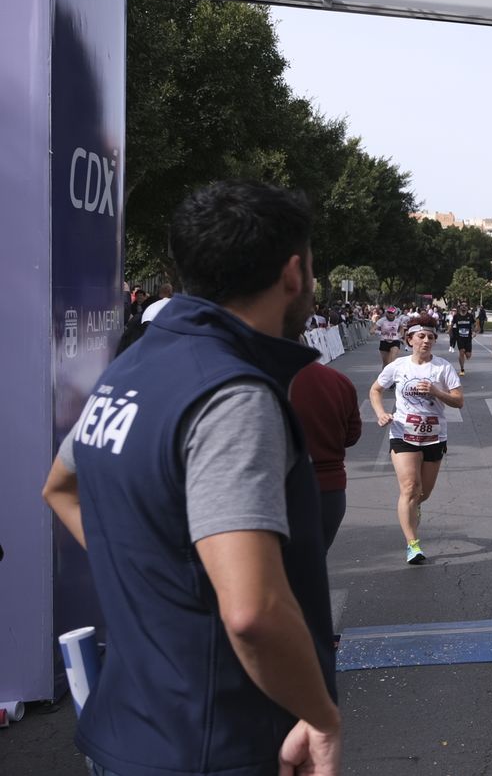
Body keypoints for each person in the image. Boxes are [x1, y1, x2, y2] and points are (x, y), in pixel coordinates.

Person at [41, 181, 340, 775]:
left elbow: (59, 486)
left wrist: (154, 585)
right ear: (293, 272)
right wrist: (320, 716)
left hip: (129, 725)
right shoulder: (232, 394)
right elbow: (251, 611)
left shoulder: (134, 365)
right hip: (218, 740)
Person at [370, 315, 464, 564]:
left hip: (434, 437)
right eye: (421, 336)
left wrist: (436, 391)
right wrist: (381, 413)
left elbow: (459, 400)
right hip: (403, 434)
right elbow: (375, 390)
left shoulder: (443, 367)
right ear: (409, 339)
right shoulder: (398, 366)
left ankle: (414, 506)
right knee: (410, 488)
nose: (426, 341)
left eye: (431, 337)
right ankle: (413, 544)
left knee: (424, 492)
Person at [289, 356, 363, 550]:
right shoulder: (337, 379)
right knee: (309, 570)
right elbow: (352, 436)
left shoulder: (250, 379)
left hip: (273, 491)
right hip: (329, 491)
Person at [449, 302, 477, 374]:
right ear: (460, 307)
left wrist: (474, 332)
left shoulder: (470, 316)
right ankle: (462, 369)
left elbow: (475, 324)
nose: (464, 307)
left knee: (468, 356)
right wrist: (450, 332)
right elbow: (452, 325)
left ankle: (466, 353)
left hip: (468, 338)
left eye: (465, 305)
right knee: (461, 352)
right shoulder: (456, 316)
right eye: (462, 305)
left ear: (467, 308)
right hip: (459, 337)